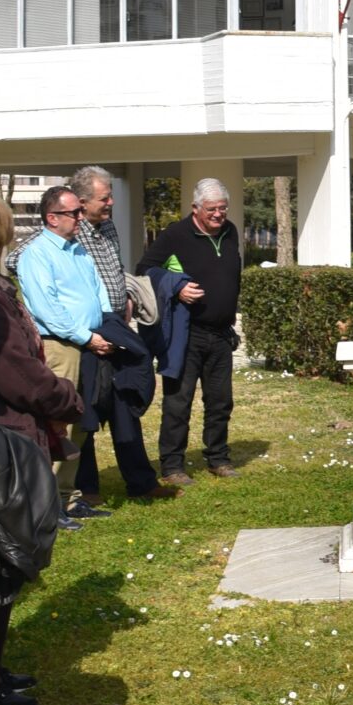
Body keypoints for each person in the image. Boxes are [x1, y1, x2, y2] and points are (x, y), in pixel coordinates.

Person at [0, 191, 79, 705]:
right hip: (0, 440)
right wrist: (63, 397)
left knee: (6, 565)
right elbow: (13, 371)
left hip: (11, 435)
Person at [20, 185, 163, 516]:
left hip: (91, 341)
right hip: (62, 346)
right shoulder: (37, 254)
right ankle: (50, 505)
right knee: (61, 424)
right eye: (74, 213)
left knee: (82, 421)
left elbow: (97, 290)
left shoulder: (78, 250)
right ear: (52, 218)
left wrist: (103, 329)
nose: (80, 218)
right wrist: (85, 337)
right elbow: (47, 308)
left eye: (81, 212)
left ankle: (70, 497)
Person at [143, 178, 244, 482]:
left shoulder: (230, 231)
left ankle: (218, 458)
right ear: (195, 208)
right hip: (188, 333)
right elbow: (145, 268)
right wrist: (177, 287)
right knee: (178, 401)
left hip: (222, 333)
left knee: (220, 400)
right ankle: (172, 465)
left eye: (223, 209)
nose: (218, 215)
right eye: (211, 209)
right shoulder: (176, 234)